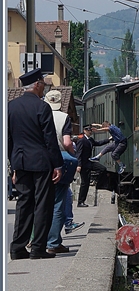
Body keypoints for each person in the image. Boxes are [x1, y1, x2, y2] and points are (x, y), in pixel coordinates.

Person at [7, 67, 64, 260]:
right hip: (41, 162)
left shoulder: (10, 107)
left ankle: (17, 248)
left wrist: (12, 166)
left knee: (24, 203)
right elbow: (49, 139)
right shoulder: (42, 107)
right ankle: (38, 248)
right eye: (43, 85)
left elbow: (8, 139)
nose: (44, 89)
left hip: (20, 161)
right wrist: (57, 165)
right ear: (37, 85)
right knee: (42, 204)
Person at [44, 89, 83, 235]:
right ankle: (54, 240)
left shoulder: (38, 114)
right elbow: (67, 143)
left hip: (40, 160)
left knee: (40, 202)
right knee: (59, 201)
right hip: (59, 159)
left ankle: (35, 239)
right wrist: (73, 156)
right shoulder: (63, 117)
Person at [75, 126, 94, 206]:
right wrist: (78, 165)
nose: (90, 132)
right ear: (85, 131)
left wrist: (109, 140)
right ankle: (80, 202)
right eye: (89, 130)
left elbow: (98, 143)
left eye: (91, 130)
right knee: (84, 183)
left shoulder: (90, 140)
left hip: (88, 163)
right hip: (83, 165)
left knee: (101, 169)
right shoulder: (82, 140)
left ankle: (82, 201)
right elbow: (78, 153)